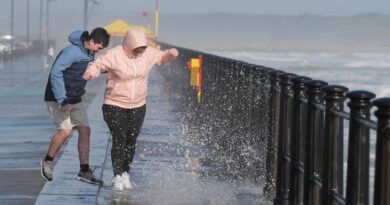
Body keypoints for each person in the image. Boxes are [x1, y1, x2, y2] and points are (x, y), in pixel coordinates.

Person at [83, 29, 178, 191]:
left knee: (131, 141)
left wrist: (171, 54)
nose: (140, 52)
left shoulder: (147, 53)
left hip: (138, 105)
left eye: (142, 48)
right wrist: (90, 72)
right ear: (128, 45)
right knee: (119, 139)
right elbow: (98, 64)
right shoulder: (115, 54)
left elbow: (161, 58)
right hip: (114, 104)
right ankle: (117, 176)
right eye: (137, 49)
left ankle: (126, 173)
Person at [40, 27, 110, 185]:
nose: (99, 51)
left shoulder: (89, 52)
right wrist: (61, 98)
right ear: (91, 41)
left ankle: (84, 171)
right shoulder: (72, 51)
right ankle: (47, 161)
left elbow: (88, 67)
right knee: (65, 131)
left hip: (75, 98)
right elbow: (55, 72)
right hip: (58, 97)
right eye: (99, 47)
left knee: (85, 130)